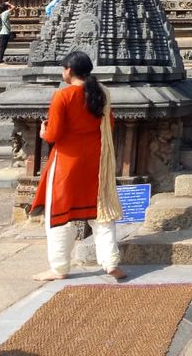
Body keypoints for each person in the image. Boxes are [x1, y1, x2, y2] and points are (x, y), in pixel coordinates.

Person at [31, 51, 125, 282]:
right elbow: (109, 124)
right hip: (96, 161)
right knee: (102, 212)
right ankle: (111, 263)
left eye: (63, 69)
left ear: (69, 71)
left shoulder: (63, 96)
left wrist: (44, 132)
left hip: (66, 162)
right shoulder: (102, 93)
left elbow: (54, 133)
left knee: (59, 216)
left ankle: (59, 268)